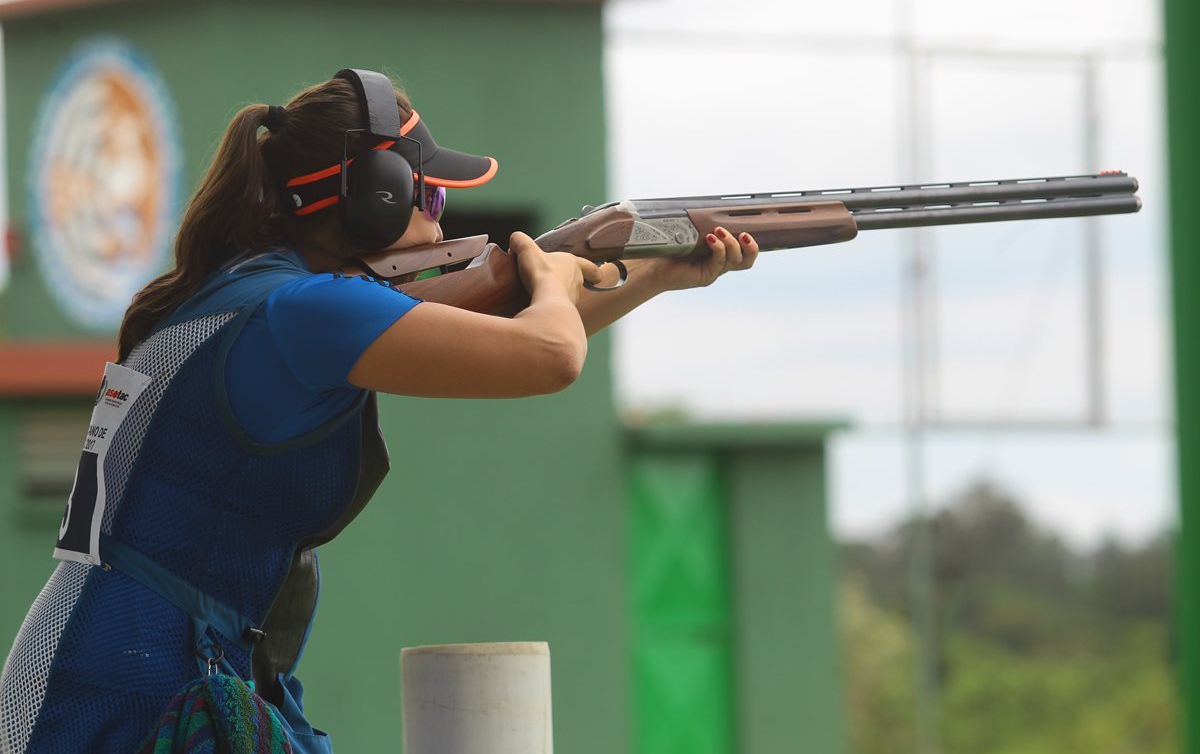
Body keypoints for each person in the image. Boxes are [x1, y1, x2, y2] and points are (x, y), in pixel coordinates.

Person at [0, 69, 758, 754]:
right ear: (375, 196)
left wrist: (656, 276)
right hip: (126, 685)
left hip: (114, 658)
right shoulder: (306, 310)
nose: (442, 223)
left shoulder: (256, 294)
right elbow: (550, 353)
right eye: (432, 197)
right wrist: (553, 279)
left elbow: (507, 342)